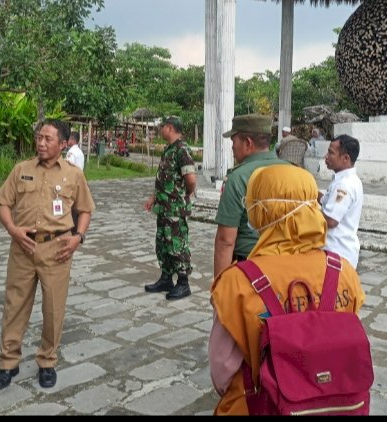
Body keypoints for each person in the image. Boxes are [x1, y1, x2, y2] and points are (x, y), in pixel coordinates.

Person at [208, 164, 365, 415]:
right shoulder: (344, 272)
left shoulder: (236, 282)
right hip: (332, 404)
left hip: (256, 405)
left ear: (262, 211)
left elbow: (222, 370)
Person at [0, 119, 95, 391]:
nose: (41, 143)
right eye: (39, 137)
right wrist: (13, 229)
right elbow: (3, 203)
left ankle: (47, 361)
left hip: (58, 249)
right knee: (14, 305)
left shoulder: (73, 174)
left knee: (53, 308)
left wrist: (78, 238)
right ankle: (8, 363)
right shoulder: (21, 169)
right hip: (22, 248)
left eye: (48, 139)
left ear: (63, 144)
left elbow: (85, 210)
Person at [214, 114, 289, 278]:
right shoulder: (293, 171)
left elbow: (226, 240)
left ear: (247, 143)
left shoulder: (238, 178)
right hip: (287, 268)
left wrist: (219, 288)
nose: (232, 147)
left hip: (250, 269)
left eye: (234, 141)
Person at [143, 115, 197, 300]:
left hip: (175, 209)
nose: (160, 129)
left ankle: (183, 283)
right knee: (163, 244)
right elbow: (163, 179)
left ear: (171, 127)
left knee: (177, 244)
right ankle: (166, 278)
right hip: (164, 207)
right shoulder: (169, 150)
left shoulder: (182, 150)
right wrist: (153, 197)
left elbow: (191, 180)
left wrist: (184, 195)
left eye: (163, 126)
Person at [319, 134, 364, 269]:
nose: (326, 156)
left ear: (345, 158)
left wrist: (307, 212)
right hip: (338, 251)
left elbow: (331, 221)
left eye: (331, 153)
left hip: (337, 253)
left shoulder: (344, 186)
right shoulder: (345, 180)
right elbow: (325, 201)